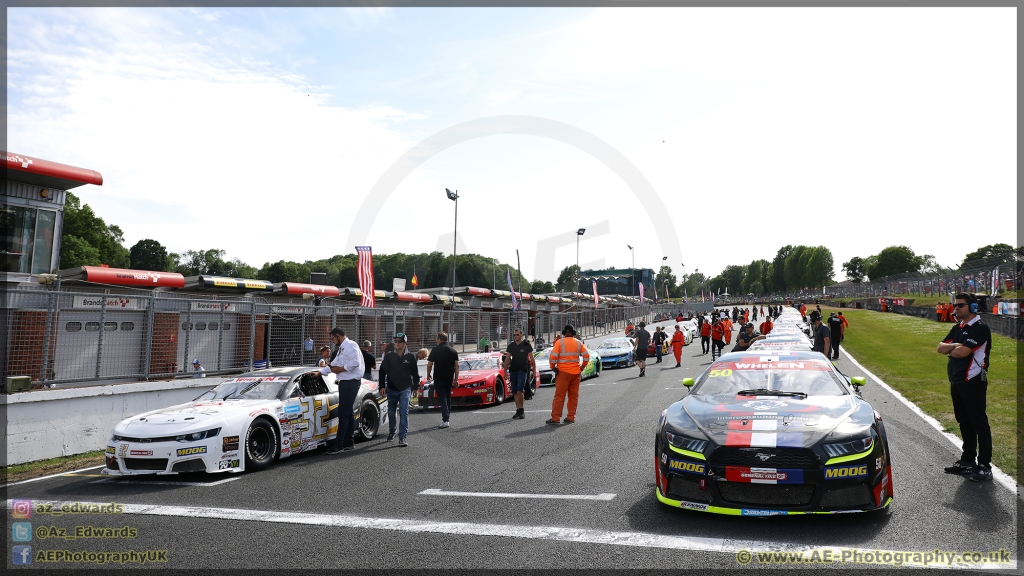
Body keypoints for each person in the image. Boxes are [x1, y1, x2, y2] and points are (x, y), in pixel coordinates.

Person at [939, 293, 993, 482]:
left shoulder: (980, 328)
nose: (956, 309)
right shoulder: (958, 327)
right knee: (963, 420)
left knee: (979, 422)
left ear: (972, 307)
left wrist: (954, 347)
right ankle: (968, 459)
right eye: (955, 305)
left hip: (973, 380)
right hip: (957, 380)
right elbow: (940, 348)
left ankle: (985, 465)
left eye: (961, 305)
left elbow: (962, 353)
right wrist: (956, 344)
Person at [320, 327, 364, 454]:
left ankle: (338, 445)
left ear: (338, 336)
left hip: (350, 383)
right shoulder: (342, 348)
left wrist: (341, 369)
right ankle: (349, 442)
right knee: (348, 413)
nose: (332, 341)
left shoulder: (351, 345)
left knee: (343, 414)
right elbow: (333, 365)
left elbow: (355, 362)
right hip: (346, 383)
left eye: (333, 338)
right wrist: (319, 373)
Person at [377, 333, 419, 447]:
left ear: (405, 343)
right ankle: (392, 430)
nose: (397, 343)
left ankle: (402, 437)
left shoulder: (411, 356)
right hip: (391, 389)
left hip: (405, 389)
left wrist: (416, 387)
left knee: (404, 412)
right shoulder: (389, 355)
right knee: (391, 412)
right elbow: (382, 371)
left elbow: (415, 373)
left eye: (399, 341)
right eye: (395, 341)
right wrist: (382, 386)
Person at [547, 324, 590, 424]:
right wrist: (582, 367)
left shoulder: (559, 342)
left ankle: (555, 418)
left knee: (559, 396)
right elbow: (586, 356)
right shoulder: (578, 343)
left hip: (563, 373)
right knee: (573, 396)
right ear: (573, 333)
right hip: (575, 373)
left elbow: (552, 357)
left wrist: (553, 367)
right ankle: (571, 417)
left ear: (564, 333)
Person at [426, 332, 460, 429]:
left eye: (437, 338)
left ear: (439, 339)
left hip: (439, 377)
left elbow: (429, 364)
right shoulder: (453, 350)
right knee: (448, 396)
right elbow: (457, 365)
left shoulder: (435, 350)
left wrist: (428, 374)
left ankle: (445, 419)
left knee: (442, 397)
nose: (436, 340)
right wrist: (456, 379)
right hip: (449, 377)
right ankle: (447, 417)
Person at [503, 328, 534, 420]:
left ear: (521, 335)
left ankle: (522, 410)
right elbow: (507, 359)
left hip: (523, 371)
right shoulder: (511, 346)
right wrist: (505, 371)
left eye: (517, 335)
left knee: (520, 390)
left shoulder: (526, 345)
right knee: (515, 392)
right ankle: (518, 410)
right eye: (514, 335)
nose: (515, 336)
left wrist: (534, 371)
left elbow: (532, 359)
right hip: (513, 371)